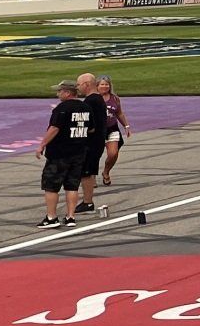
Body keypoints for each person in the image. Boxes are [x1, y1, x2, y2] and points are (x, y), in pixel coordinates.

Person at [34, 79, 96, 227]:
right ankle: (70, 217)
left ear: (68, 93)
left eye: (60, 91)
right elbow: (91, 129)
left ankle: (51, 217)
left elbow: (54, 128)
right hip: (79, 152)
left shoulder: (62, 108)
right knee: (72, 186)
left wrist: (42, 144)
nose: (58, 94)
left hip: (59, 153)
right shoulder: (86, 107)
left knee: (51, 186)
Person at [71, 71, 108, 213]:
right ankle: (87, 200)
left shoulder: (90, 101)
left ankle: (88, 202)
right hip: (97, 141)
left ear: (86, 85)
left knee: (86, 172)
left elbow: (87, 123)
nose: (77, 87)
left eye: (79, 84)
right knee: (88, 171)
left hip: (91, 142)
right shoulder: (97, 99)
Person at [98, 75, 133, 187]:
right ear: (97, 86)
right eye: (102, 84)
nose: (104, 86)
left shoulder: (115, 98)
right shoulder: (93, 98)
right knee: (94, 155)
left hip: (112, 128)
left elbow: (119, 113)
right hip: (97, 130)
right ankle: (91, 176)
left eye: (106, 84)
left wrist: (126, 126)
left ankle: (106, 172)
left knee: (113, 153)